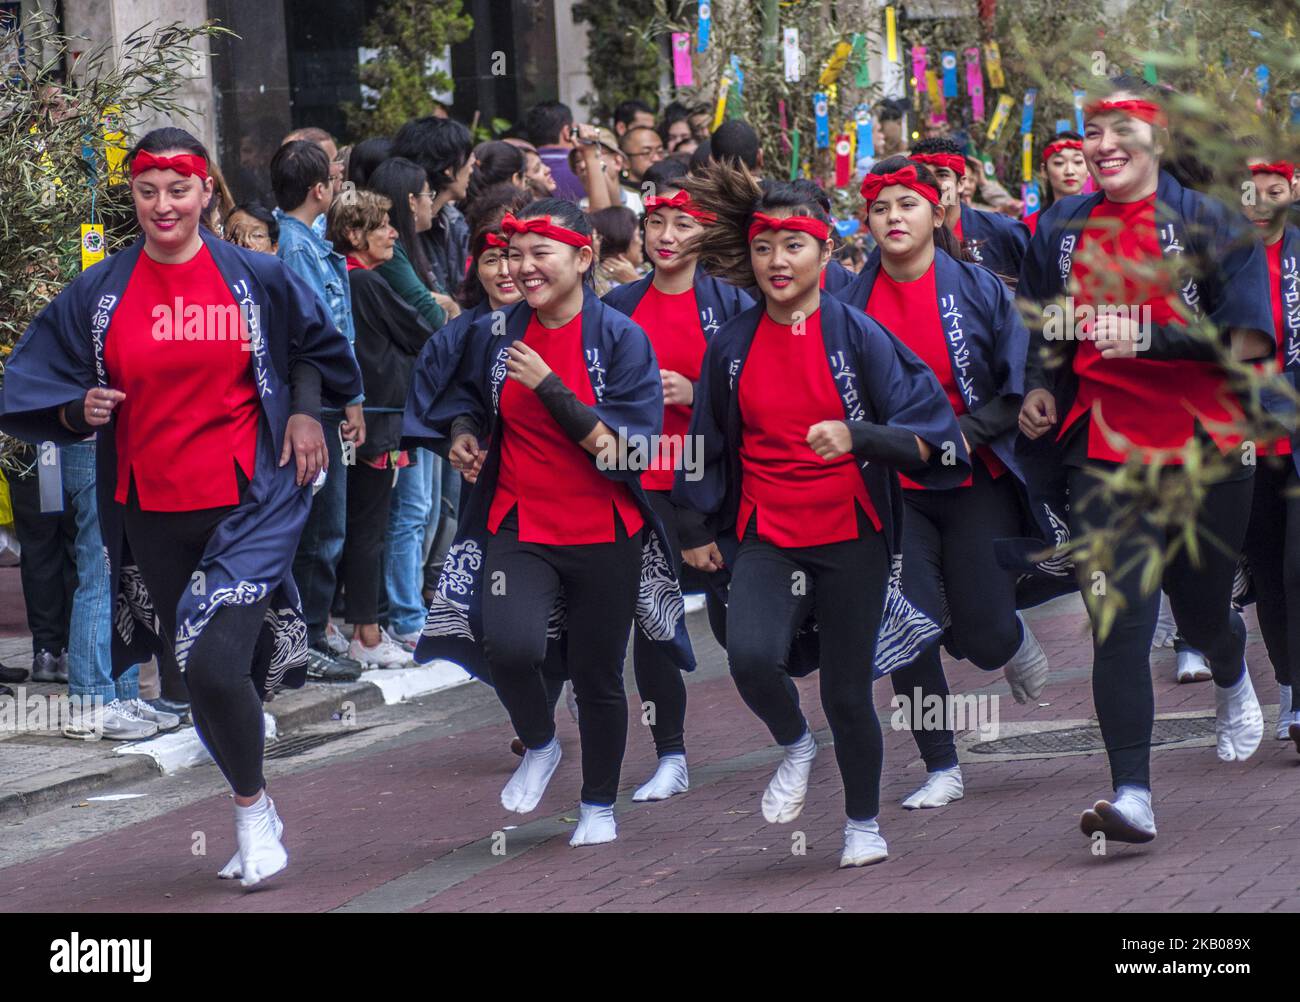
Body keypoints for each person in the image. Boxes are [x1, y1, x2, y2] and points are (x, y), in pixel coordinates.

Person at [0, 126, 363, 887]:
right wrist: (76, 410)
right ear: (132, 197)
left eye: (179, 189)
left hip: (251, 499)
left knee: (207, 661)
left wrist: (304, 413)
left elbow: (316, 351)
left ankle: (252, 810)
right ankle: (250, 737)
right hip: (151, 508)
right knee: (194, 671)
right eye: (147, 191)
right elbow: (29, 381)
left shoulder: (256, 275)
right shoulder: (99, 291)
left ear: (206, 192)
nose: (163, 205)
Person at [677, 162, 970, 868]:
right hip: (766, 533)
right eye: (763, 248)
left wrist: (857, 436)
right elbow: (704, 444)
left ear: (826, 252)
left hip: (853, 535)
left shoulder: (859, 336)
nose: (777, 262)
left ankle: (862, 825)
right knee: (748, 656)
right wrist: (693, 528)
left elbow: (930, 436)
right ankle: (794, 742)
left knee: (847, 692)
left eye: (794, 246)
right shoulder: (734, 346)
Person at [1017, 86, 1275, 845]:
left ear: (1157, 140)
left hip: (1206, 451)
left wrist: (1156, 338)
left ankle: (1231, 670)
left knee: (1199, 614)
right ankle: (1133, 793)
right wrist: (1040, 382)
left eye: (1120, 130)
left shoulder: (1212, 222)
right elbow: (1048, 322)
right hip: (1104, 454)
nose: (1102, 145)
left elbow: (1251, 340)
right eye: (1091, 133)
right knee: (1119, 625)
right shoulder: (1060, 227)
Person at [407, 199, 694, 846]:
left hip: (604, 528)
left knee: (597, 675)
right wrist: (461, 432)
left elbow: (628, 449)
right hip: (518, 520)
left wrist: (550, 388)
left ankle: (598, 805)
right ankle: (540, 741)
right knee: (505, 641)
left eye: (541, 253)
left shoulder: (621, 337)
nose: (524, 269)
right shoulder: (495, 330)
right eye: (515, 254)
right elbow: (458, 391)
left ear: (583, 257)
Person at [834, 156, 1048, 809]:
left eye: (907, 204)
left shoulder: (980, 288)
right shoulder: (847, 303)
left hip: (972, 477)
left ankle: (1009, 635)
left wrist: (952, 439)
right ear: (866, 221)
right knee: (906, 623)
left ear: (935, 212)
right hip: (894, 491)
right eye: (880, 208)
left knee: (983, 637)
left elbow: (1014, 394)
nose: (893, 218)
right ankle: (941, 764)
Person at [602, 159, 753, 801]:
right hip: (644, 486)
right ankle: (670, 755)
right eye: (655, 222)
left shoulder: (735, 303)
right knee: (653, 621)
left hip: (723, 484)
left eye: (681, 223)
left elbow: (762, 392)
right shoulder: (617, 306)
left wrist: (699, 390)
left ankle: (798, 730)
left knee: (740, 630)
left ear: (708, 231)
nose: (664, 236)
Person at [273, 139, 367, 683]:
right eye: (331, 177)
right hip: (316, 405)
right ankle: (304, 638)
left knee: (325, 526)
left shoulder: (306, 242)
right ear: (319, 190)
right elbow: (318, 334)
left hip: (330, 400)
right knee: (319, 527)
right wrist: (348, 397)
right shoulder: (298, 248)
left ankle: (311, 634)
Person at [330, 189, 433, 668]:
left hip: (361, 419)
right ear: (354, 235)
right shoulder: (366, 284)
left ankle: (342, 624)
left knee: (349, 526)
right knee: (369, 527)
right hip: (378, 422)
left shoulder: (339, 280)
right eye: (382, 226)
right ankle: (367, 634)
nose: (394, 233)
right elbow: (421, 329)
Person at [366, 157, 451, 658]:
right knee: (410, 510)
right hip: (397, 407)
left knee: (424, 507)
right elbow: (425, 314)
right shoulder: (376, 272)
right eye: (422, 194)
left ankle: (411, 610)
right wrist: (441, 306)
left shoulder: (405, 253)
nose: (429, 203)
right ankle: (405, 616)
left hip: (421, 398)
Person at [1240, 156, 1300, 749]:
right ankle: (1287, 687)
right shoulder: (1216, 264)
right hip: (1244, 442)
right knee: (1269, 573)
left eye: (1273, 190)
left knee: (1297, 565)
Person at [910, 136, 1029, 284]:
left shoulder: (1003, 231)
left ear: (961, 184)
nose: (932, 183)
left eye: (942, 174)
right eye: (923, 175)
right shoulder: (903, 238)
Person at [391, 116, 475, 297]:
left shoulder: (453, 221)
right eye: (467, 159)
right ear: (448, 167)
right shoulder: (392, 234)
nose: (471, 168)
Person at [523, 100, 586, 201]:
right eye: (575, 131)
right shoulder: (585, 170)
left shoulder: (523, 170)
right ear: (567, 132)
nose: (547, 170)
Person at [1025, 131, 1086, 234]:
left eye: (1078, 162)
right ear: (1044, 171)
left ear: (1089, 168)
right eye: (1059, 163)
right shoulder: (1030, 226)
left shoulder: (1104, 218)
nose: (1070, 171)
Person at [589, 205, 644, 293]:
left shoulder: (647, 272)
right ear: (620, 241)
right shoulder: (593, 284)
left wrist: (635, 280)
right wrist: (636, 285)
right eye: (637, 236)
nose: (641, 242)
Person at [618, 125, 666, 190]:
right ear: (625, 161)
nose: (656, 158)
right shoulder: (619, 193)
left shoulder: (667, 189)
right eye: (646, 153)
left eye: (660, 152)